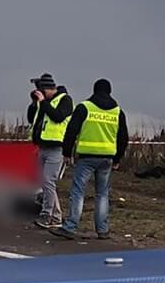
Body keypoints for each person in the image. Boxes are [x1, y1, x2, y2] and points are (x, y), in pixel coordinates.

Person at [59, 78, 129, 240]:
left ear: (94, 90)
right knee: (102, 194)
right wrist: (118, 158)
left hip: (87, 157)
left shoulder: (85, 107)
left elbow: (71, 131)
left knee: (78, 191)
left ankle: (70, 227)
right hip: (107, 159)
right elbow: (123, 137)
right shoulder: (118, 112)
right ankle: (102, 230)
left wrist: (66, 152)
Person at [26, 73, 72, 227]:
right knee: (45, 182)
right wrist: (34, 104)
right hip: (43, 146)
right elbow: (32, 118)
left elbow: (57, 116)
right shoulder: (43, 102)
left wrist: (43, 102)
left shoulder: (65, 100)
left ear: (47, 89)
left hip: (56, 147)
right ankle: (56, 217)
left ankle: (47, 215)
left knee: (48, 181)